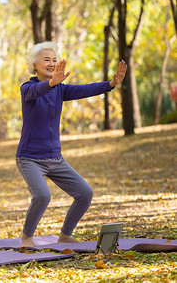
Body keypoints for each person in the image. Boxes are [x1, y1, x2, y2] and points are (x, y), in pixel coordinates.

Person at [16, 41, 127, 248]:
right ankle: (26, 238)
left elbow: (84, 90)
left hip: (55, 159)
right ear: (34, 65)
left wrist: (110, 84)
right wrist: (51, 83)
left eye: (54, 60)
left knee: (85, 193)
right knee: (42, 195)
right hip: (29, 158)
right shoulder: (27, 88)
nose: (51, 63)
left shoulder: (60, 89)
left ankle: (65, 235)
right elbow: (36, 92)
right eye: (46, 60)